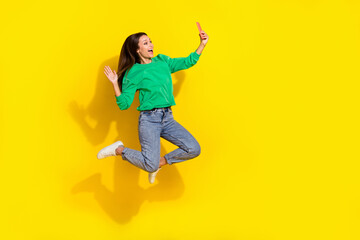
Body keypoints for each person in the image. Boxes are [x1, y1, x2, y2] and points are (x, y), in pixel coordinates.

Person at [97, 28, 209, 184]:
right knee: (150, 165)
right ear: (137, 50)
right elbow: (124, 104)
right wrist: (115, 83)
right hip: (149, 120)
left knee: (193, 149)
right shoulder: (133, 72)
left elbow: (187, 61)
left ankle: (160, 163)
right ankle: (119, 150)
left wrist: (202, 44)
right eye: (145, 42)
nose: (151, 44)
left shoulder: (162, 61)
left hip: (167, 118)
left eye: (150, 41)